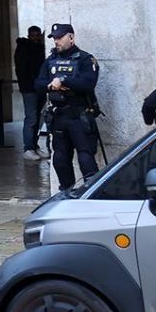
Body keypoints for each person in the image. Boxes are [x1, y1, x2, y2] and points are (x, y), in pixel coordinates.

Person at [37, 23, 99, 191]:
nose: (56, 41)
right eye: (54, 38)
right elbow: (38, 83)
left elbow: (88, 83)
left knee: (85, 157)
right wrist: (50, 86)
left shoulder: (85, 59)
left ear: (71, 37)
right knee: (60, 159)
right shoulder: (51, 60)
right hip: (59, 116)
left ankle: (91, 194)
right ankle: (66, 193)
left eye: (59, 37)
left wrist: (64, 80)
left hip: (79, 115)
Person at [13, 25, 46, 160]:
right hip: (29, 89)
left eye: (37, 35)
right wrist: (29, 84)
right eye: (33, 35)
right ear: (29, 36)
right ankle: (28, 148)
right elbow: (22, 70)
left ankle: (34, 146)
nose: (35, 38)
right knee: (32, 117)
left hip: (40, 88)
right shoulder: (23, 49)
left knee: (39, 118)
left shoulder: (40, 48)